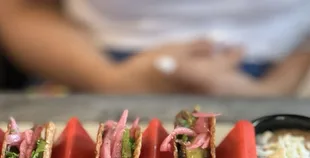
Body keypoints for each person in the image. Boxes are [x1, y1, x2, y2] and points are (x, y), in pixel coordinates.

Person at [0, 0, 310, 96]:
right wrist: (107, 79)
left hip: (285, 76)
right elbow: (20, 9)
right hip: (81, 65)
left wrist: (276, 91)